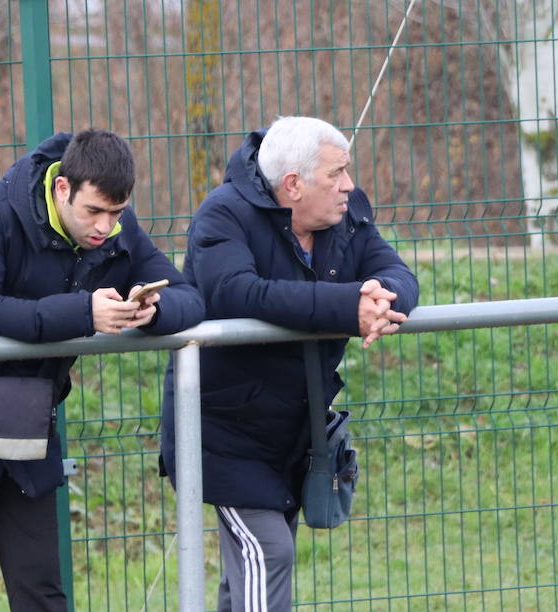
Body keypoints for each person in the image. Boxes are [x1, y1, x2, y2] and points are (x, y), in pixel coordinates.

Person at [0, 129, 204, 612]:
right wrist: (83, 314)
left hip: (25, 429)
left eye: (115, 213)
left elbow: (189, 297)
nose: (104, 227)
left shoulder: (119, 230)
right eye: (93, 211)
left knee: (43, 597)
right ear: (62, 189)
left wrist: (153, 312)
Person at [160, 115, 419, 611]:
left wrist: (383, 301)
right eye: (336, 174)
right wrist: (349, 307)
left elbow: (394, 269)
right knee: (269, 554)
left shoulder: (346, 214)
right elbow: (239, 293)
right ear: (294, 185)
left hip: (296, 433)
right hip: (224, 433)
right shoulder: (223, 215)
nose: (349, 186)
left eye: (347, 172)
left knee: (250, 577)